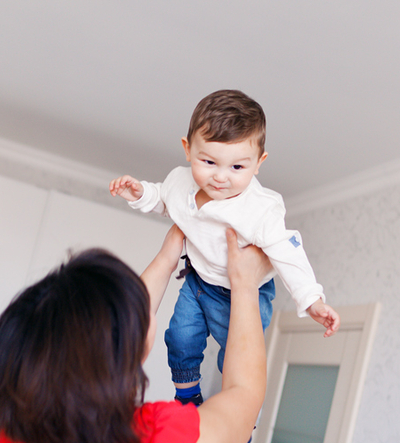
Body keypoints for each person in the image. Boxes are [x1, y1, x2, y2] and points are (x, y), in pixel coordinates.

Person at [0, 226, 271, 443]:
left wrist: (166, 259)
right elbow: (244, 394)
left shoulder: (1, 423)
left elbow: (110, 345)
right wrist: (245, 285)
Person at [110, 89, 339, 406]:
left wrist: (311, 300)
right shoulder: (180, 182)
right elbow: (165, 200)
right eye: (208, 162)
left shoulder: (261, 209)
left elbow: (287, 252)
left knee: (236, 357)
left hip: (240, 295)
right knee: (179, 338)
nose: (220, 177)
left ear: (258, 163)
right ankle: (187, 396)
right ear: (188, 149)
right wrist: (140, 194)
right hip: (197, 281)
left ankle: (238, 411)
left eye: (237, 168)